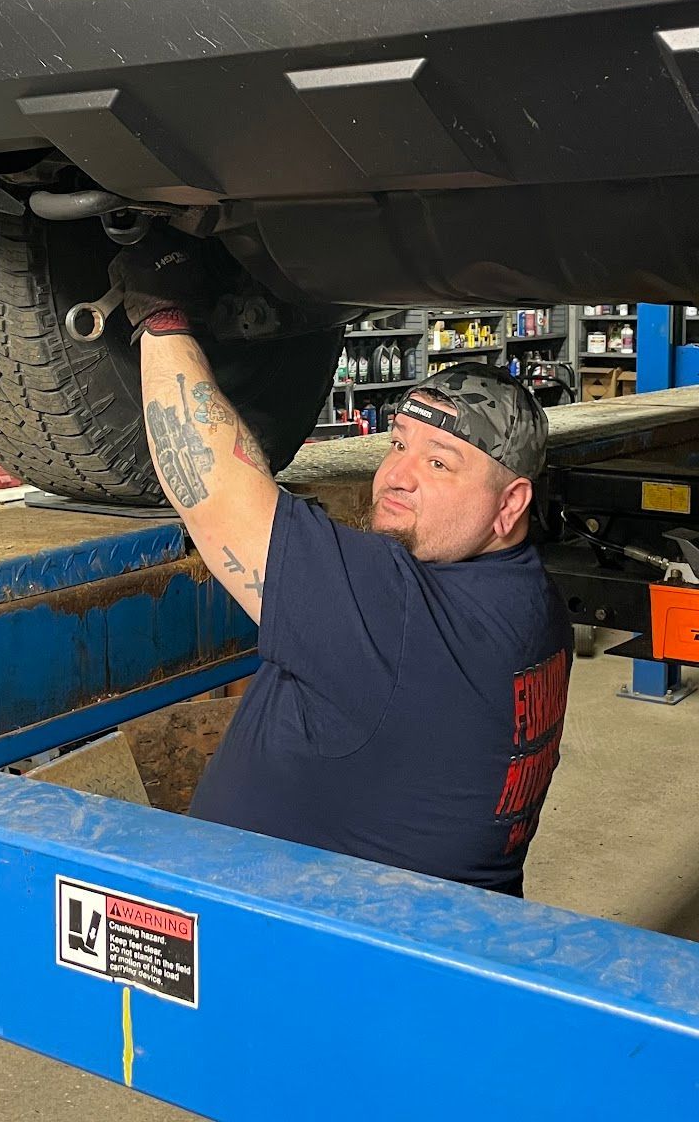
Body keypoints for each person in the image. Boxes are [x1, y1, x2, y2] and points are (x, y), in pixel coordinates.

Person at [110, 235, 573, 896]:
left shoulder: (407, 624)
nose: (396, 477)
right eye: (400, 444)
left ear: (511, 504)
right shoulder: (531, 602)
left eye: (439, 464)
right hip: (410, 942)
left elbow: (211, 490)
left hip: (317, 971)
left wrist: (162, 318)